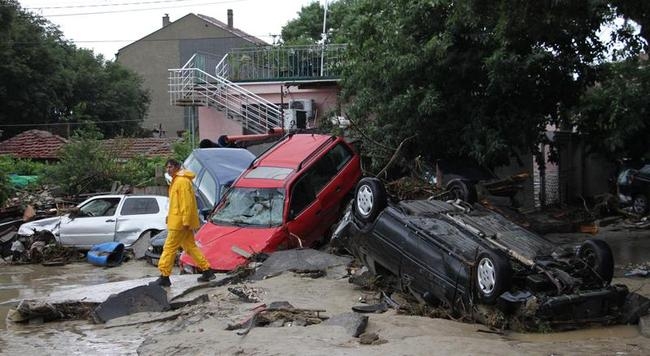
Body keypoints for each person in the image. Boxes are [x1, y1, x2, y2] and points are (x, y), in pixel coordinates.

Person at [154, 159, 215, 287]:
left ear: (177, 167)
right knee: (190, 246)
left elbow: (186, 204)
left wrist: (185, 220)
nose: (168, 170)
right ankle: (207, 270)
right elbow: (177, 204)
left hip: (179, 223)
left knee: (169, 248)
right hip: (180, 221)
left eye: (170, 167)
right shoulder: (179, 181)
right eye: (167, 167)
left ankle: (164, 276)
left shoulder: (181, 181)